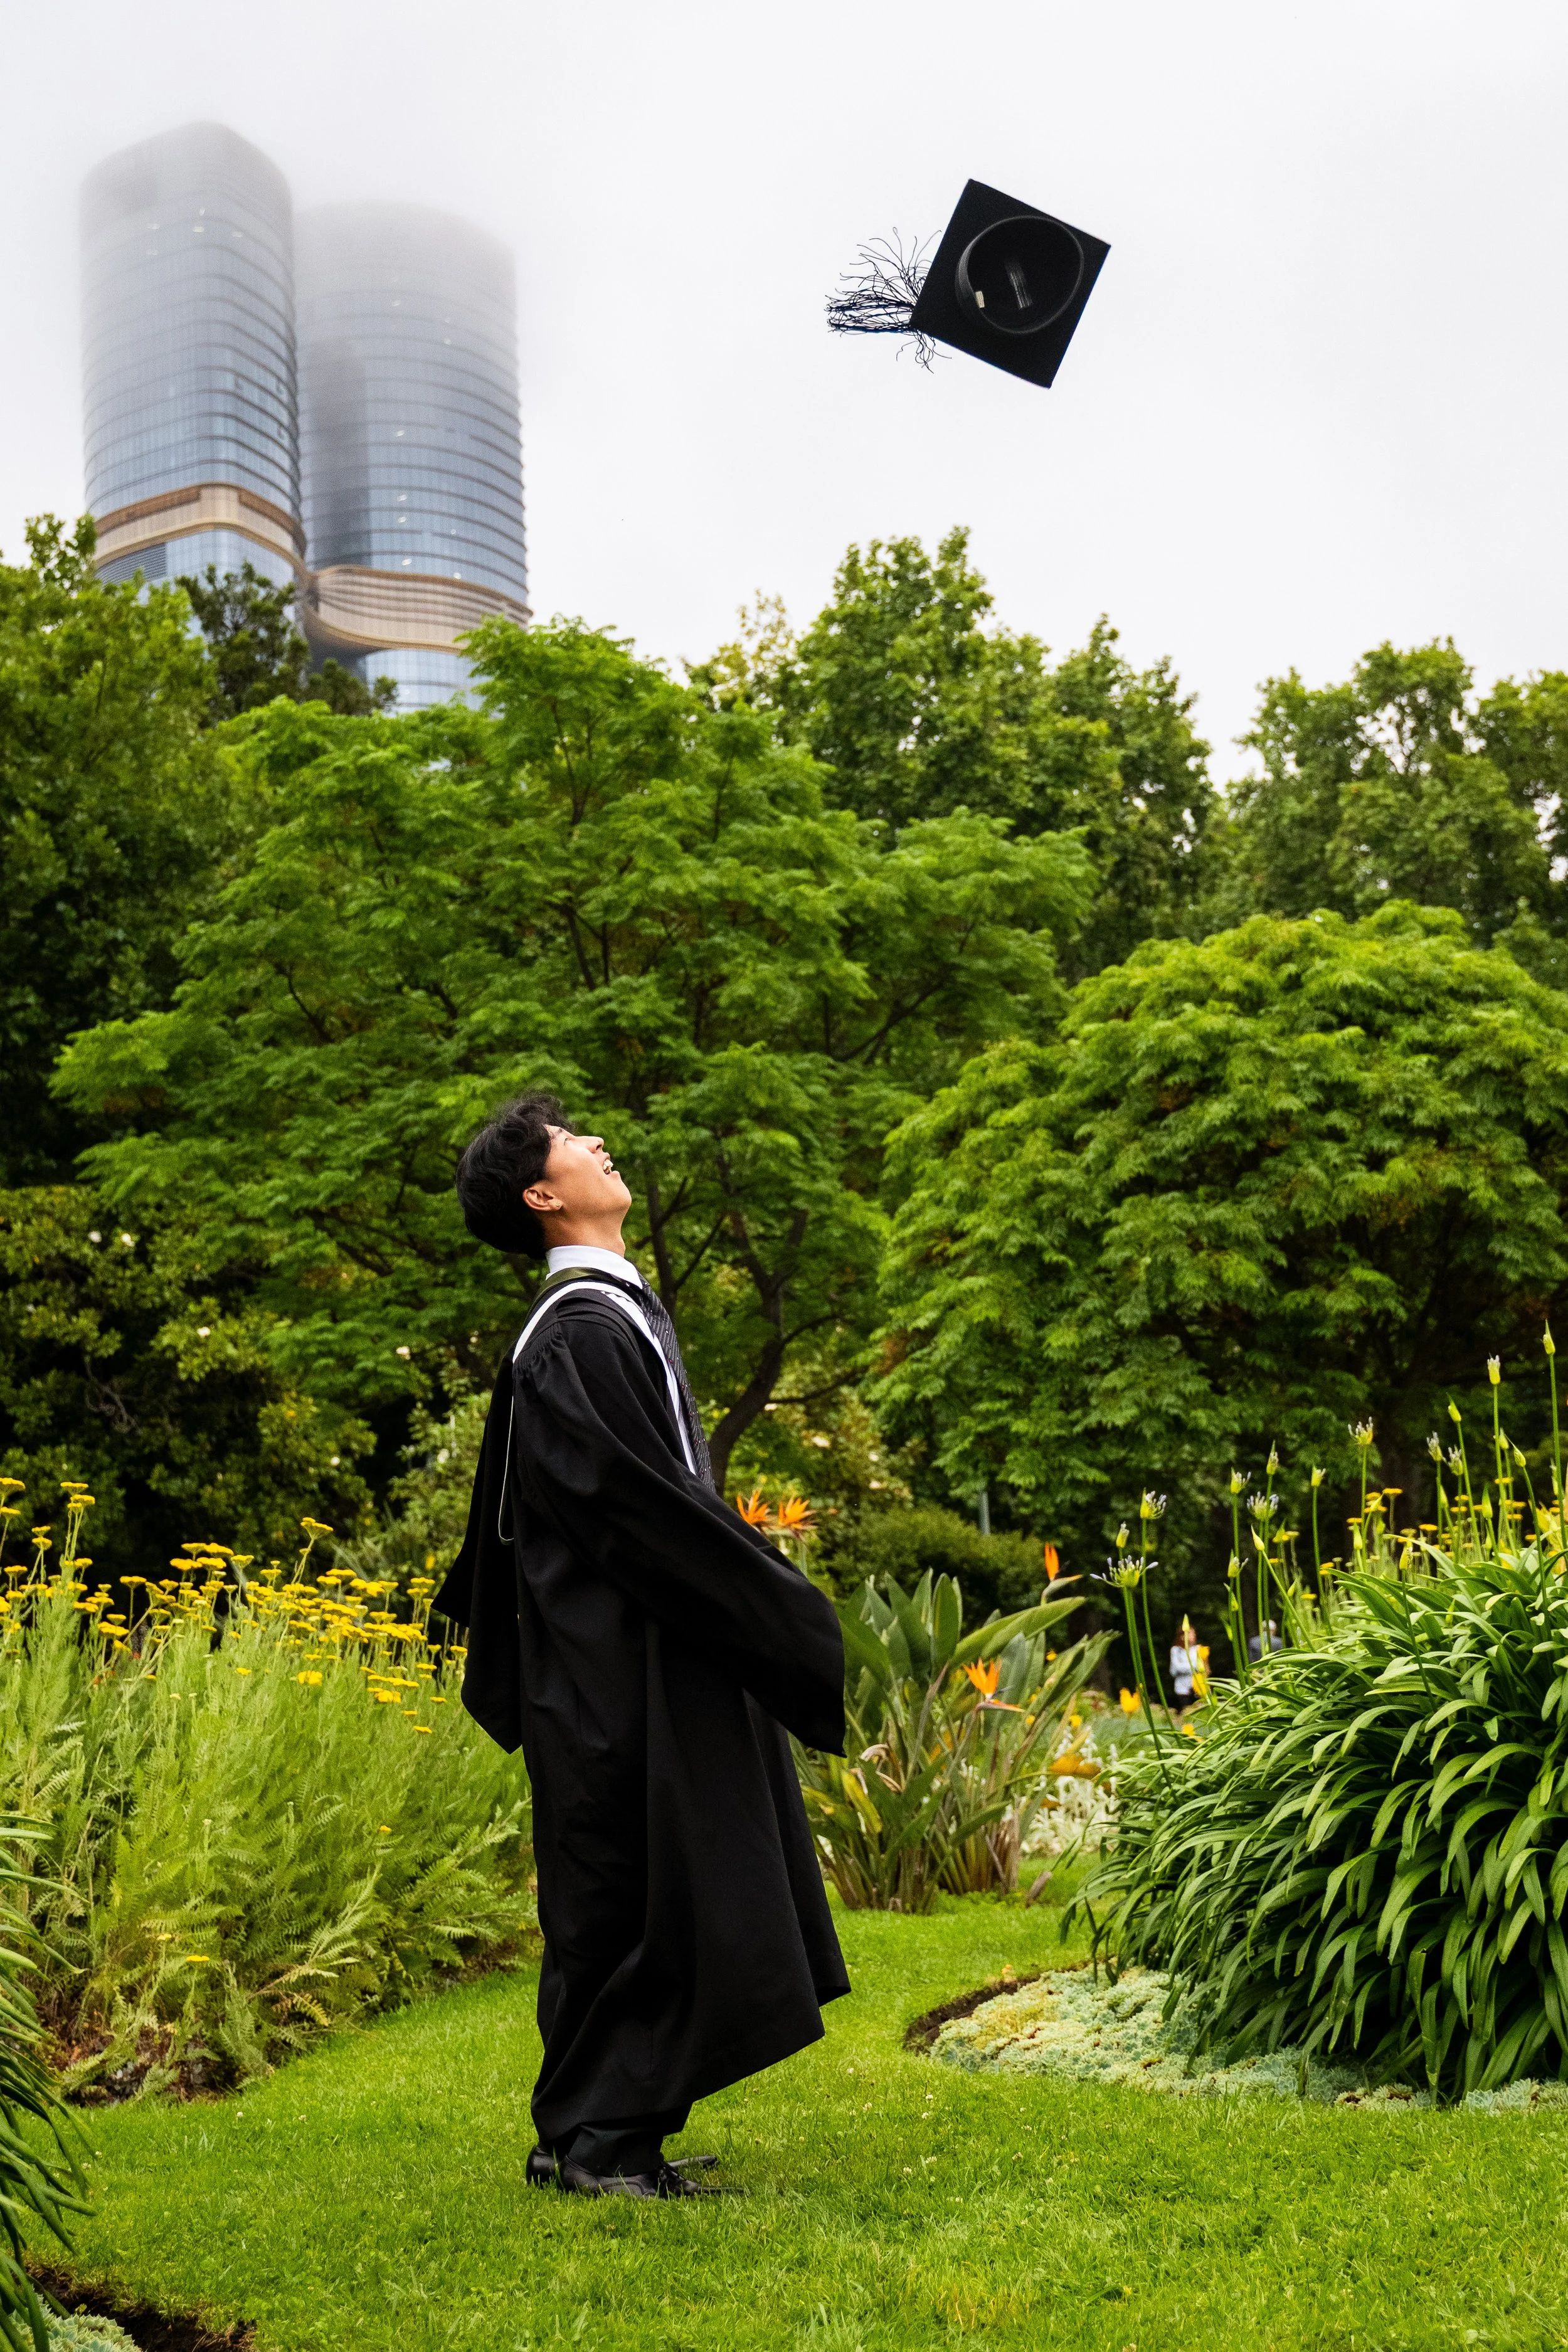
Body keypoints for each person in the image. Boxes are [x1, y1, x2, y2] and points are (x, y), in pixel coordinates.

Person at [435, 1092, 849, 2201]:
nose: (599, 1144)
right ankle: (600, 2143)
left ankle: (591, 2132)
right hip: (614, 1670)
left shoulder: (604, 1314)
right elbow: (636, 1512)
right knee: (625, 1891)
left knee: (633, 1884)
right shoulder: (572, 1335)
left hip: (630, 1660)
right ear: (541, 1193)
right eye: (574, 1144)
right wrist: (775, 1609)